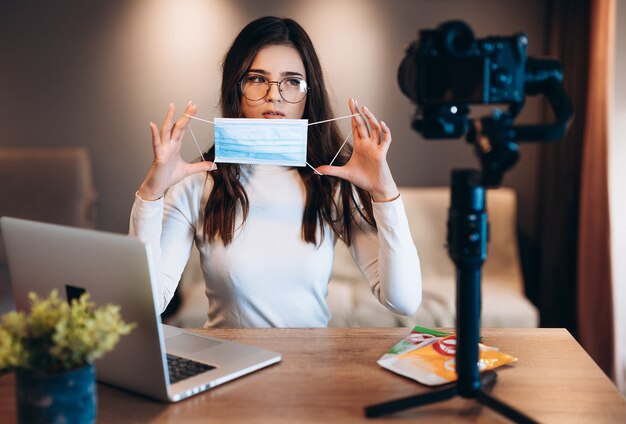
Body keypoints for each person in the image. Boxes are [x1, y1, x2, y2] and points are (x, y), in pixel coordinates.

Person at [129, 16, 422, 328]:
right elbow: (144, 304)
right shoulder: (196, 184)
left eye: (292, 81)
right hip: (230, 367)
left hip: (309, 366)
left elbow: (403, 301)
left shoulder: (332, 183)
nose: (275, 94)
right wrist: (151, 193)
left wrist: (384, 192)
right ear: (235, 89)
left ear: (309, 94)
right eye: (257, 78)